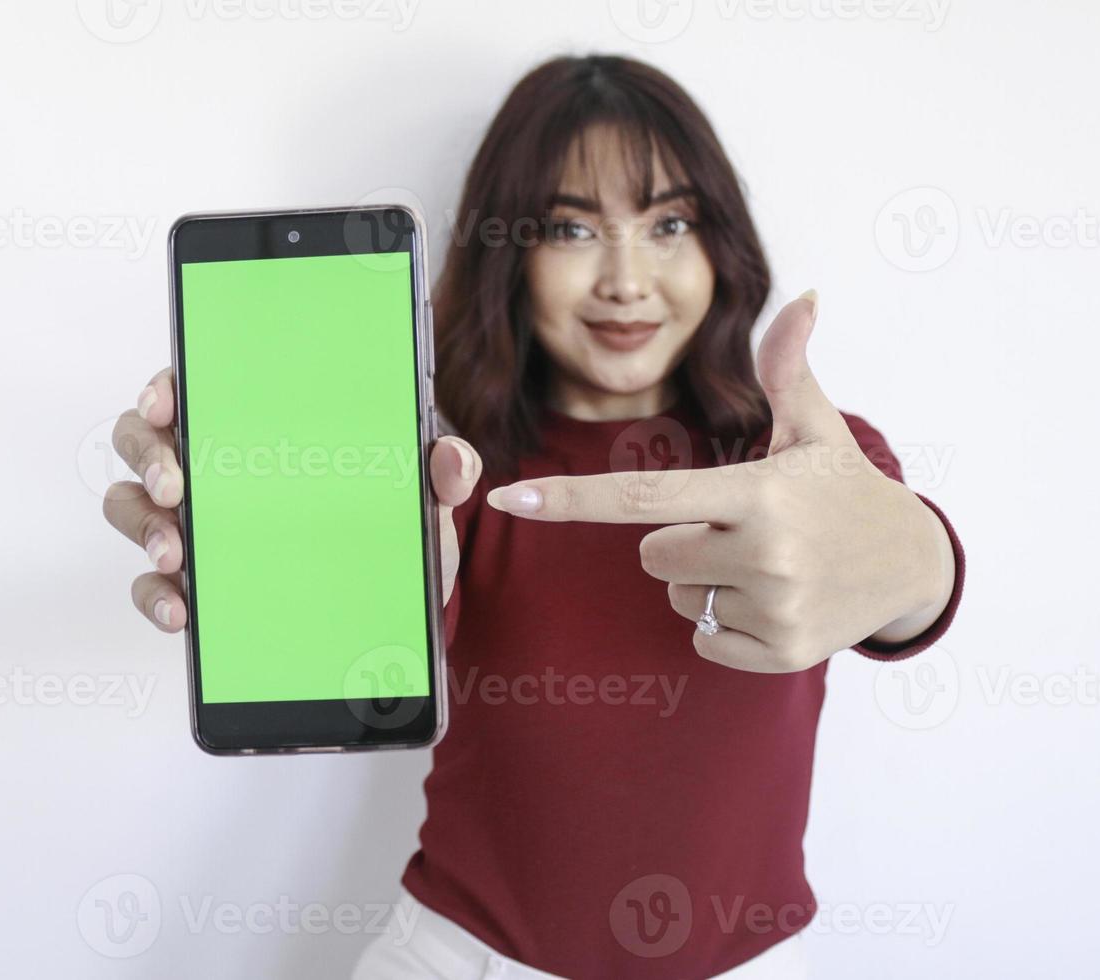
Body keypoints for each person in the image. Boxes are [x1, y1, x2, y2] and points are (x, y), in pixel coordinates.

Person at [104, 54, 965, 980]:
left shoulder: (807, 461)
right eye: (570, 227)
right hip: (459, 958)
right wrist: (293, 532)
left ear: (722, 243)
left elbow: (899, 577)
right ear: (510, 251)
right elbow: (375, 645)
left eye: (669, 222)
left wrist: (924, 564)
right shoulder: (445, 470)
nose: (628, 280)